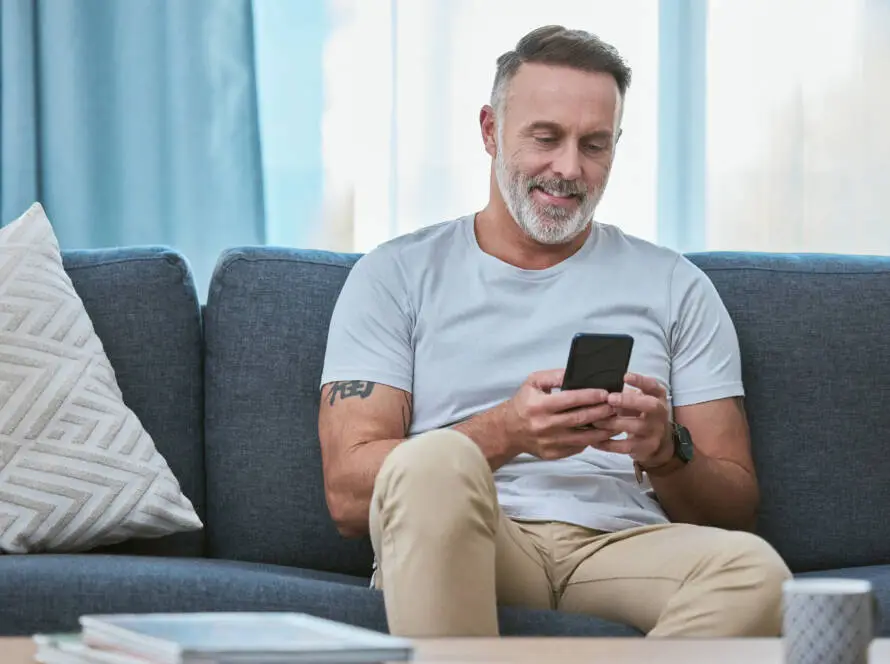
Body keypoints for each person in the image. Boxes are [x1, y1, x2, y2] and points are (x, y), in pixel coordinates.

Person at [317, 25, 791, 638]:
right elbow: (349, 497)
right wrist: (507, 431)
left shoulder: (676, 286)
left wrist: (668, 451)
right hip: (476, 538)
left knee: (758, 574)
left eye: (595, 145)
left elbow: (736, 512)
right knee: (433, 461)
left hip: (620, 549)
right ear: (490, 130)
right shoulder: (395, 275)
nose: (569, 168)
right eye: (546, 138)